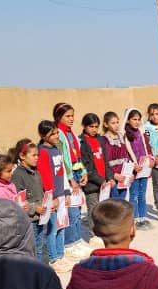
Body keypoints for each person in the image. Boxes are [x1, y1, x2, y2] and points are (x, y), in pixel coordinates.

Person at [53, 103, 92, 257]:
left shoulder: (71, 133)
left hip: (77, 173)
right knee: (70, 211)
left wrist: (83, 171)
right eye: (67, 116)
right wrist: (70, 179)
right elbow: (63, 159)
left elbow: (76, 155)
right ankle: (70, 243)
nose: (71, 119)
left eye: (72, 115)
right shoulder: (59, 134)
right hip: (67, 177)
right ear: (58, 117)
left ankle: (77, 240)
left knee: (77, 209)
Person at [36, 120, 70, 271]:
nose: (57, 136)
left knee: (62, 225)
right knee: (52, 228)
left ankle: (61, 255)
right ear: (44, 136)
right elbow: (45, 176)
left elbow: (61, 173)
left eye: (57, 133)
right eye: (53, 134)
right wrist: (53, 197)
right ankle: (53, 258)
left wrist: (66, 192)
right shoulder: (42, 152)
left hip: (61, 194)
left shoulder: (56, 149)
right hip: (52, 197)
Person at [10, 138, 50, 262]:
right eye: (33, 155)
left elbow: (40, 191)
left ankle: (38, 270)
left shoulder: (35, 171)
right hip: (28, 220)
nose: (37, 158)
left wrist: (47, 204)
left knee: (38, 247)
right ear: (22, 156)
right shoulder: (18, 175)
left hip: (39, 218)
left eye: (38, 155)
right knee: (30, 249)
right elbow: (19, 199)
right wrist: (34, 208)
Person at [122, 107, 156, 231]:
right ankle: (134, 220)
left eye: (138, 119)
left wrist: (151, 159)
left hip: (144, 169)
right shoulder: (125, 135)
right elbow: (125, 153)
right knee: (133, 195)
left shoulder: (142, 133)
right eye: (133, 119)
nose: (136, 122)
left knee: (142, 195)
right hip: (134, 170)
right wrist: (134, 165)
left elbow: (147, 147)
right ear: (128, 120)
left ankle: (143, 218)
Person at [79, 112, 113, 230]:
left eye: (96, 126)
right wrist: (100, 180)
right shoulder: (81, 142)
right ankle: (94, 235)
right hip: (92, 184)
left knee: (104, 210)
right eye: (91, 126)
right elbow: (87, 166)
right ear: (84, 126)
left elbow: (105, 160)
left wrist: (109, 178)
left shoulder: (100, 139)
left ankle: (104, 232)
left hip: (104, 183)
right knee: (93, 210)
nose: (94, 129)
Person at [102, 111, 132, 201]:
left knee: (122, 202)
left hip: (124, 176)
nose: (116, 125)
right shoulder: (104, 140)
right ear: (106, 124)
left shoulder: (121, 136)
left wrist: (129, 173)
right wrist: (113, 175)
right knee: (114, 203)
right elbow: (105, 161)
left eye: (117, 122)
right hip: (113, 177)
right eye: (113, 123)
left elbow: (127, 155)